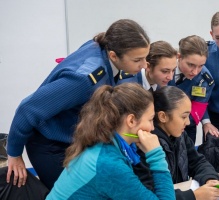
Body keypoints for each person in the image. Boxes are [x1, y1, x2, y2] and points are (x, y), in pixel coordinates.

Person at [6, 19, 150, 190]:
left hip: (72, 140)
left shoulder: (101, 47)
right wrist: (14, 153)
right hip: (50, 145)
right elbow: (27, 109)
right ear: (113, 55)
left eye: (145, 58)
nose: (144, 65)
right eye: (137, 60)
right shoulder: (84, 80)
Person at [47, 83, 175, 199]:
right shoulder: (109, 163)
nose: (152, 128)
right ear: (131, 121)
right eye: (151, 119)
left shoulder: (106, 144)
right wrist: (156, 155)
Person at [134, 86, 219, 200]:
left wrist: (209, 178)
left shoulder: (180, 135)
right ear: (163, 116)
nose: (188, 122)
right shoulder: (146, 145)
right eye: (184, 116)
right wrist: (194, 196)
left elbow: (197, 161)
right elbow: (152, 194)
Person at [169, 35, 218, 143]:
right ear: (179, 56)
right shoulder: (165, 69)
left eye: (201, 66)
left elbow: (196, 111)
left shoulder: (205, 79)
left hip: (186, 127)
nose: (195, 72)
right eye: (191, 65)